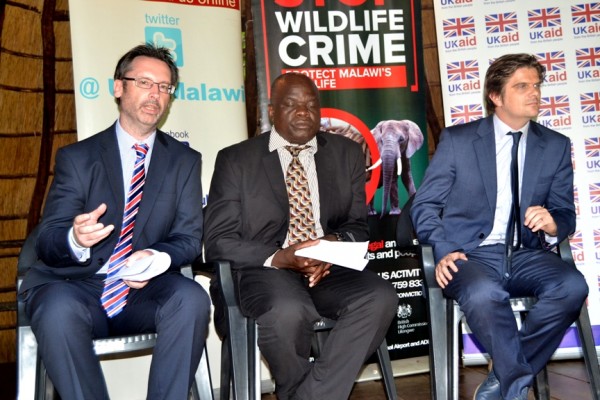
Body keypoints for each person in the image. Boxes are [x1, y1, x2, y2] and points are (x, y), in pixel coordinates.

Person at [18, 43, 210, 400]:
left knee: (192, 299)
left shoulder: (184, 161)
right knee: (57, 309)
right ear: (118, 87)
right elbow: (47, 240)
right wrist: (75, 239)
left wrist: (156, 259)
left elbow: (188, 238)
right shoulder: (78, 158)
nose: (155, 94)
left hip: (143, 292)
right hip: (78, 287)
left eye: (164, 87)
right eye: (144, 82)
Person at [204, 72, 398, 400]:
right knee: (287, 311)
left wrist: (329, 248)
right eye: (291, 104)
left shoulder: (346, 153)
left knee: (380, 298)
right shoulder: (236, 160)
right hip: (264, 270)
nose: (303, 112)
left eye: (311, 105)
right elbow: (219, 240)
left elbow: (356, 227)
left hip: (327, 269)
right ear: (271, 111)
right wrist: (283, 257)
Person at [410, 53, 588, 400]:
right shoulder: (459, 141)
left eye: (536, 85)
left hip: (525, 253)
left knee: (571, 286)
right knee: (483, 293)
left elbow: (565, 212)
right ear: (495, 95)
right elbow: (426, 205)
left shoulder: (554, 145)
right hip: (470, 254)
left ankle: (504, 377)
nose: (534, 93)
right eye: (522, 86)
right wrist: (444, 250)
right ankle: (516, 383)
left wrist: (554, 223)